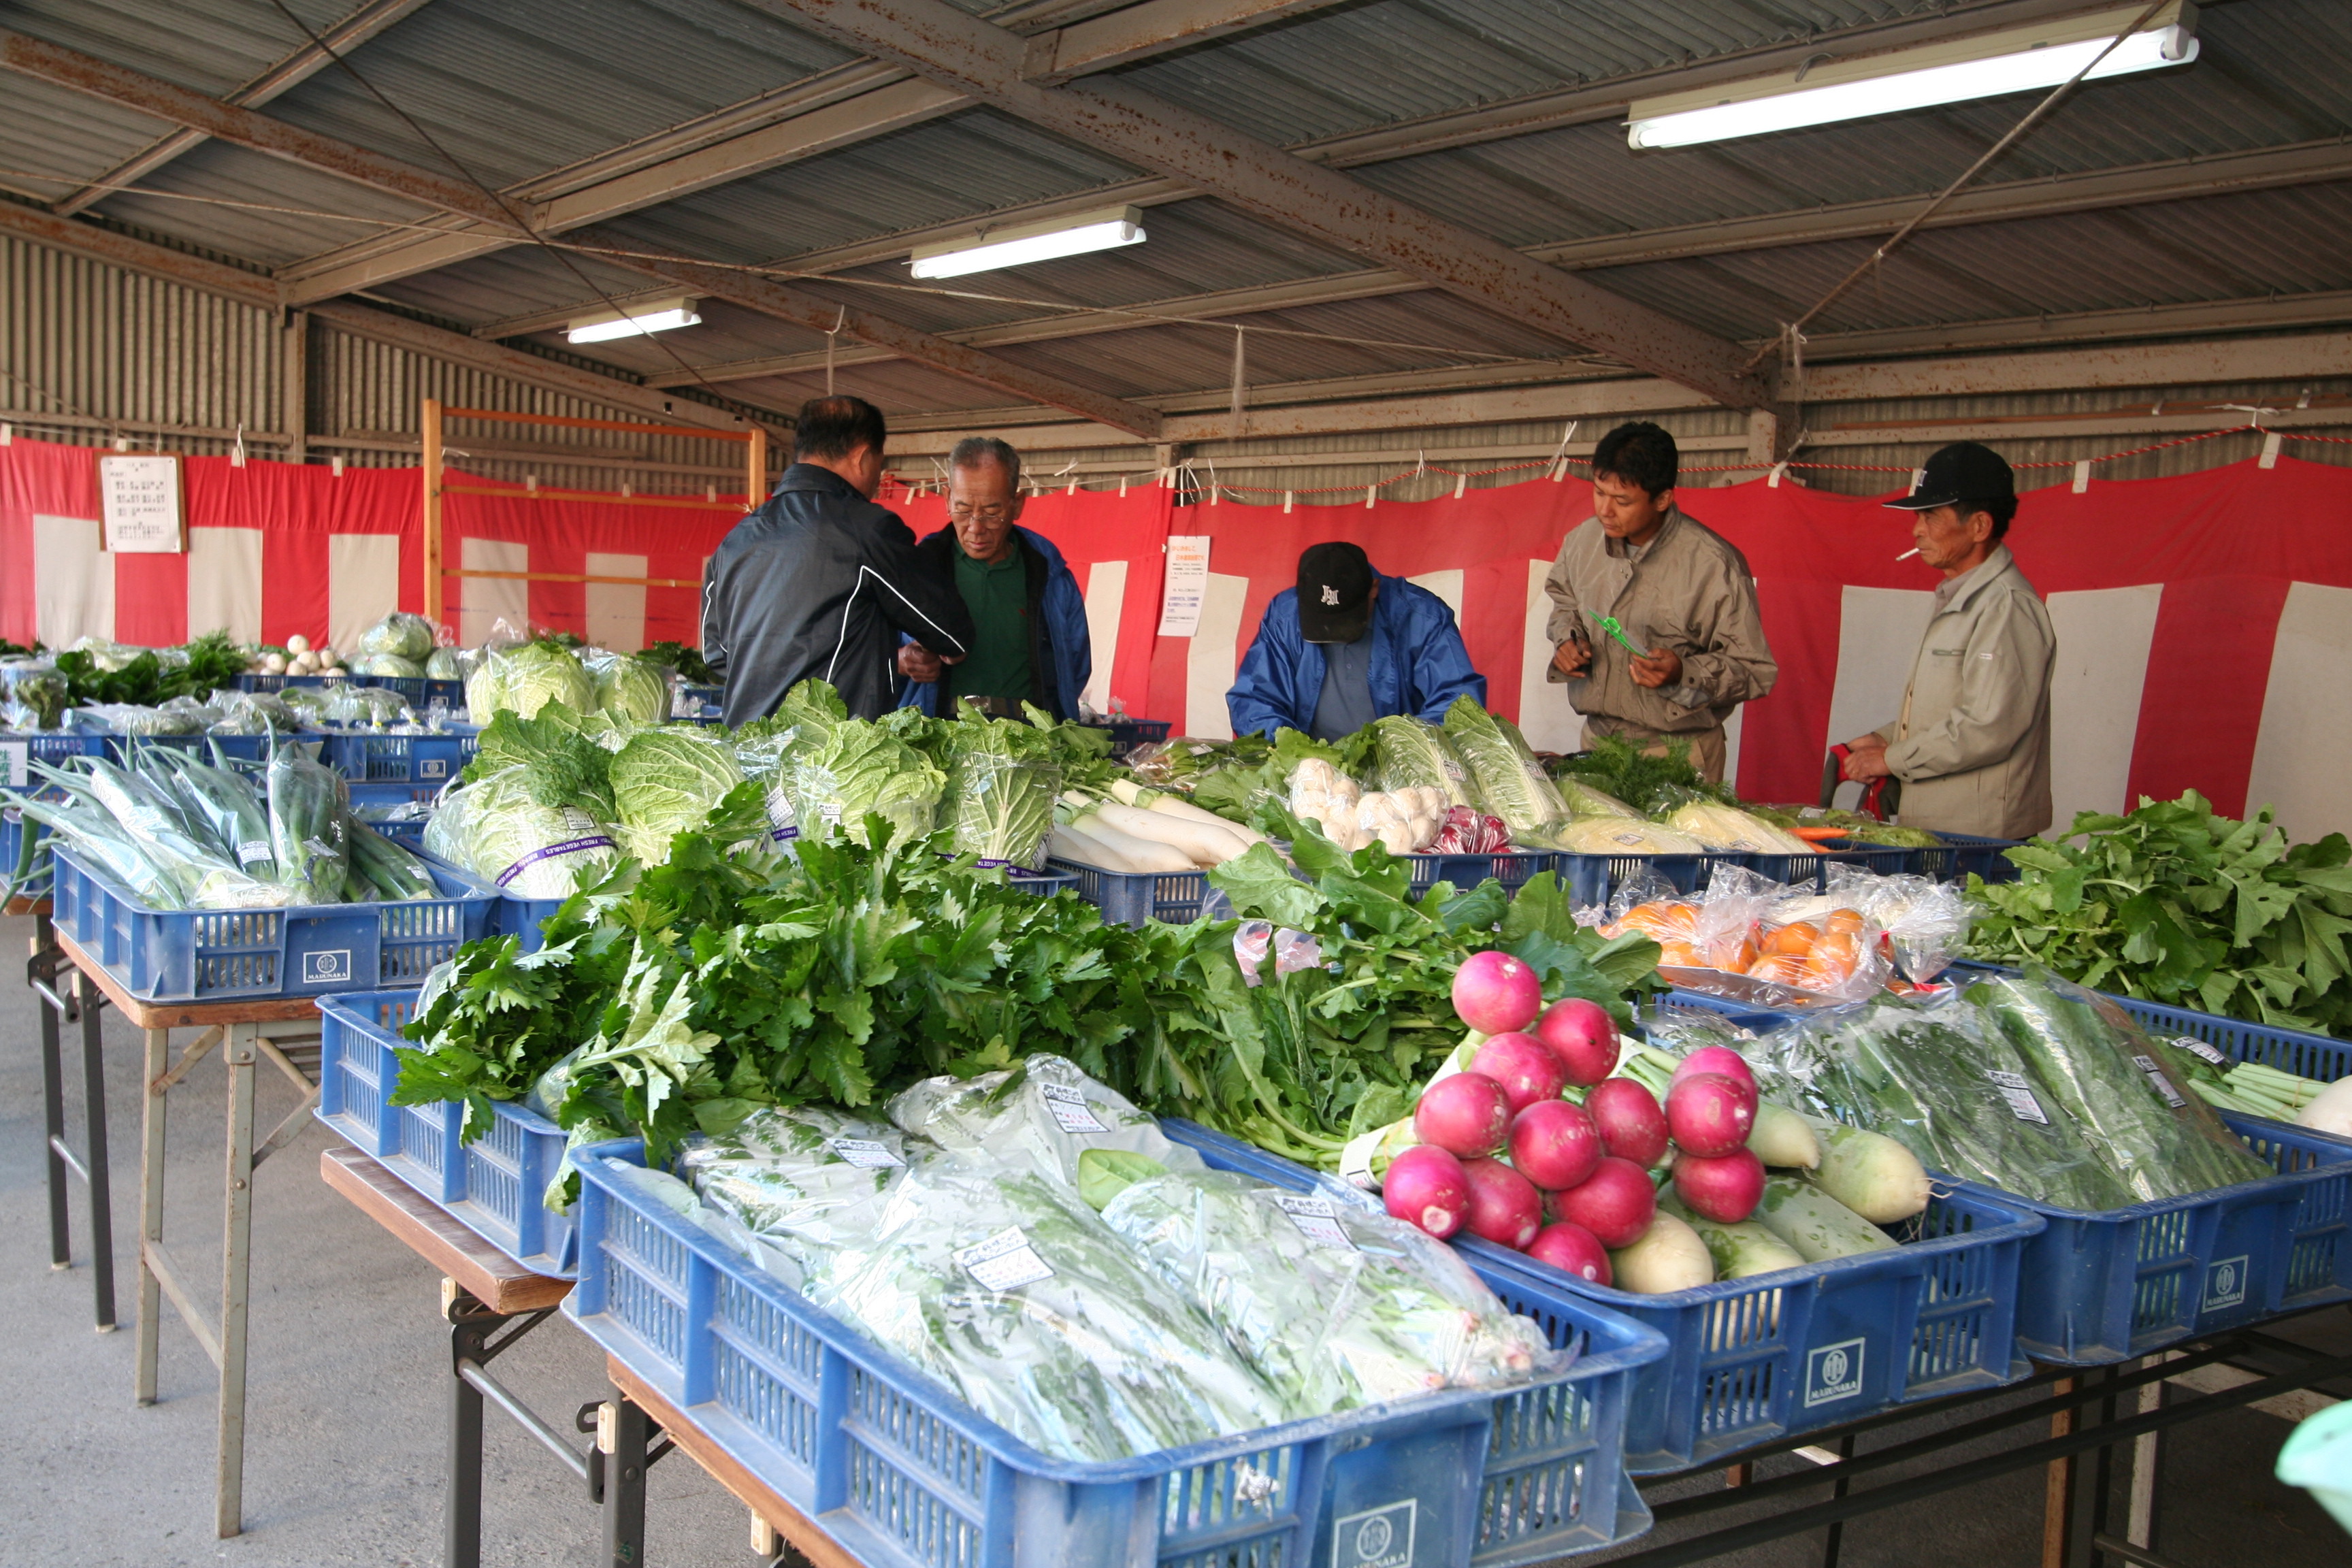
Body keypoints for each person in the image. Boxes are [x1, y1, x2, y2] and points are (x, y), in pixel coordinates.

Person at [700, 395, 972, 725]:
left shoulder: (735, 541)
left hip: (749, 756)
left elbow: (717, 656)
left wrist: (887, 659)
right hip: (833, 759)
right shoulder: (868, 531)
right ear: (862, 457)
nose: (877, 478)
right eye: (879, 464)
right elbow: (950, 633)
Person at [1840, 442, 2055, 839]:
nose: (1917, 530)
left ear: (1979, 526)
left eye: (1931, 516)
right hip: (1939, 828)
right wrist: (1885, 738)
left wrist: (1890, 758)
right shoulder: (1963, 595)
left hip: (1979, 838)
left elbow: (1988, 728)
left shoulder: (2005, 606)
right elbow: (1953, 708)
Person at [1541, 421, 1776, 783]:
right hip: (1599, 741)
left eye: (1622, 501)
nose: (1605, 510)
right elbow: (1565, 600)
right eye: (1599, 492)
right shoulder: (1581, 542)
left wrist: (1684, 672)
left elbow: (1756, 671)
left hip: (1680, 754)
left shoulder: (1713, 564)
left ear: (1663, 499)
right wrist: (1568, 641)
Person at [896, 438, 1092, 721]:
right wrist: (901, 660)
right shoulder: (916, 570)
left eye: (991, 513)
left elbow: (1076, 664)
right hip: (935, 736)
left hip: (1027, 739)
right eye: (962, 510)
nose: (976, 528)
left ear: (1017, 504)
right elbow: (870, 651)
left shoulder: (1050, 576)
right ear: (947, 497)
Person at [1226, 541, 1484, 740]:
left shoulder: (1421, 616)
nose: (1334, 632)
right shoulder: (1285, 615)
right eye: (1323, 621)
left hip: (1401, 770)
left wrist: (1403, 748)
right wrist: (1292, 751)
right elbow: (1254, 698)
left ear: (1374, 589)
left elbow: (1458, 701)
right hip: (1310, 769)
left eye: (1345, 620)